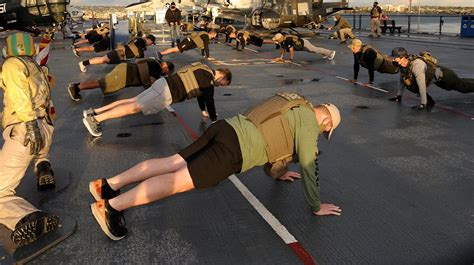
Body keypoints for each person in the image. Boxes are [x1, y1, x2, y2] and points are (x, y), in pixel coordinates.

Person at [87, 92, 342, 240]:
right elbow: (308, 162)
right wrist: (316, 205)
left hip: (226, 128)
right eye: (326, 129)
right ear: (326, 119)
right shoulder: (309, 122)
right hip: (234, 150)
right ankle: (110, 207)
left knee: (172, 162)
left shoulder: (293, 101)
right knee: (175, 182)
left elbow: (274, 142)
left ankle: (107, 185)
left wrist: (279, 172)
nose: (322, 132)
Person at [0, 33, 59, 247]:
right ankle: (44, 166)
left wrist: (30, 126)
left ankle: (27, 218)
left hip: (27, 129)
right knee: (39, 155)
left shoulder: (13, 65)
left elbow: (18, 94)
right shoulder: (36, 67)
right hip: (45, 128)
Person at [82, 63, 232, 137]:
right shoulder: (210, 81)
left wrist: (203, 111)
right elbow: (209, 99)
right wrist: (214, 120)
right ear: (222, 77)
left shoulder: (203, 68)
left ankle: (94, 112)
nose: (221, 85)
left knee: (132, 101)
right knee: (135, 107)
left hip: (164, 83)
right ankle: (96, 119)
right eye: (223, 83)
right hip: (168, 92)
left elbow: (201, 95)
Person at [390, 47, 474, 110]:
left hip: (446, 76)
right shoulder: (403, 66)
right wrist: (399, 96)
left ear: (403, 57)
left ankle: (428, 100)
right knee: (410, 84)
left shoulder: (417, 65)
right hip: (438, 80)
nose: (393, 59)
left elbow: (421, 85)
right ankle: (430, 100)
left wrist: (423, 103)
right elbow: (402, 81)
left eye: (395, 57)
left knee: (463, 87)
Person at [67, 59, 174, 101]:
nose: (165, 74)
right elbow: (151, 82)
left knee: (103, 81)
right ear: (165, 67)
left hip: (125, 68)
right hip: (126, 75)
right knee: (103, 83)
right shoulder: (157, 68)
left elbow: (138, 61)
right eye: (166, 72)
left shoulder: (153, 61)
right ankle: (77, 88)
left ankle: (78, 85)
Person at [78, 34, 156, 73]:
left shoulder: (140, 40)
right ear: (149, 40)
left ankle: (84, 63)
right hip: (120, 53)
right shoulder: (141, 41)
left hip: (122, 54)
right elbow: (140, 53)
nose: (151, 44)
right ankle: (83, 63)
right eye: (152, 43)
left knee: (104, 60)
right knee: (103, 59)